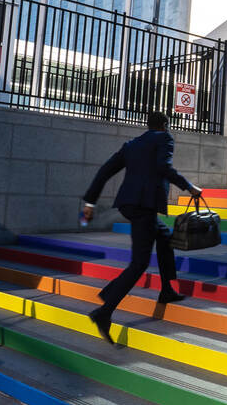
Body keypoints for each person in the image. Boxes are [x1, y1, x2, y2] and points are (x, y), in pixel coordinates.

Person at [81, 111, 203, 344]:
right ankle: (105, 311)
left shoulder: (132, 145)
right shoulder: (165, 138)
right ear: (165, 125)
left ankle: (166, 290)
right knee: (139, 263)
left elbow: (105, 171)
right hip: (144, 205)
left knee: (164, 237)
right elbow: (163, 167)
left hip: (129, 203)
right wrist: (189, 187)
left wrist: (90, 202)